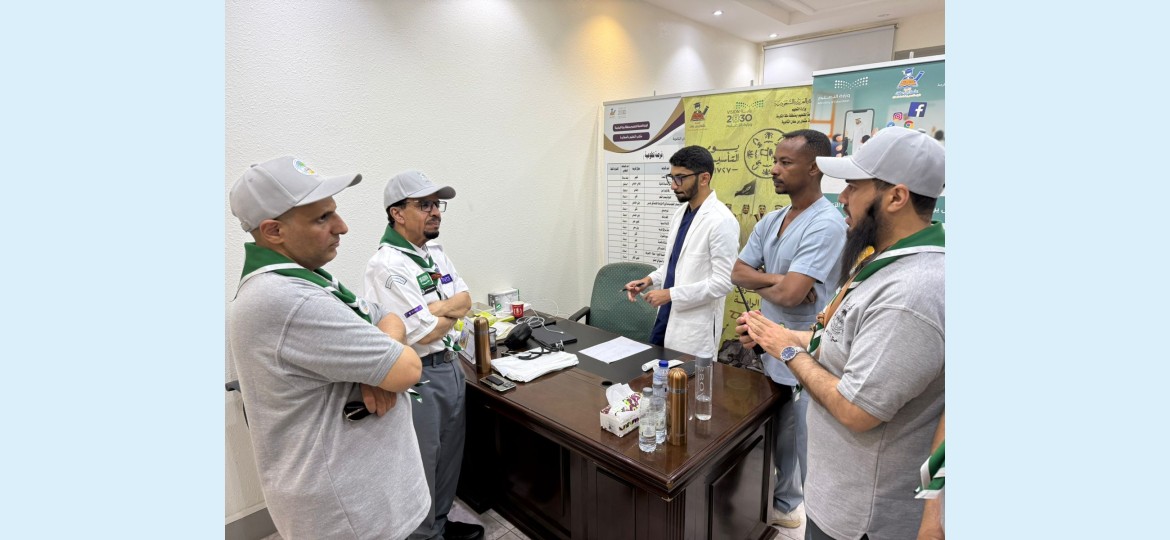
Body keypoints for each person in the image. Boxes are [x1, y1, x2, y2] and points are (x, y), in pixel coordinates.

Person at [737, 127, 945, 540]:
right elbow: (839, 343)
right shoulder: (887, 267)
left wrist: (788, 352)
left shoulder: (910, 293)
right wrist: (782, 336)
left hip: (860, 519)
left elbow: (856, 410)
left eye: (853, 186)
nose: (843, 198)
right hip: (838, 496)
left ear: (896, 197)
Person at [227, 156, 429, 539]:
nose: (342, 226)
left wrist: (375, 367)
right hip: (348, 515)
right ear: (273, 231)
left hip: (359, 499)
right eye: (323, 218)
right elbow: (407, 370)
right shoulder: (288, 299)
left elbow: (388, 315)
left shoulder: (309, 282)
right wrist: (385, 367)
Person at [731, 129, 846, 530]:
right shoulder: (773, 219)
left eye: (785, 162)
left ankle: (799, 511)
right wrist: (779, 280)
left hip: (805, 353)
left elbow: (793, 296)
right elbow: (738, 272)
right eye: (775, 161)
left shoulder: (826, 224)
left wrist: (780, 284)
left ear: (814, 169)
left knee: (802, 442)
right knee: (778, 433)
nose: (774, 170)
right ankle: (781, 500)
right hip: (768, 347)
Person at [362, 170, 482, 540]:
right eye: (424, 205)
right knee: (423, 463)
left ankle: (439, 525)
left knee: (448, 458)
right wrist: (447, 311)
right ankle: (422, 535)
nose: (435, 212)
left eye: (437, 204)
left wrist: (437, 311)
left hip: (451, 366)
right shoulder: (386, 265)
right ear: (397, 213)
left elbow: (466, 300)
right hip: (420, 376)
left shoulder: (434, 254)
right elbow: (423, 333)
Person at [624, 145, 738, 357]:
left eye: (680, 178)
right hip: (665, 318)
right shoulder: (680, 214)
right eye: (672, 177)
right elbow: (674, 265)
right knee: (655, 371)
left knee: (686, 377)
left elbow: (723, 282)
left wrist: (670, 294)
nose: (673, 186)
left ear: (704, 178)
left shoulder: (721, 221)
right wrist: (648, 280)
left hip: (694, 328)